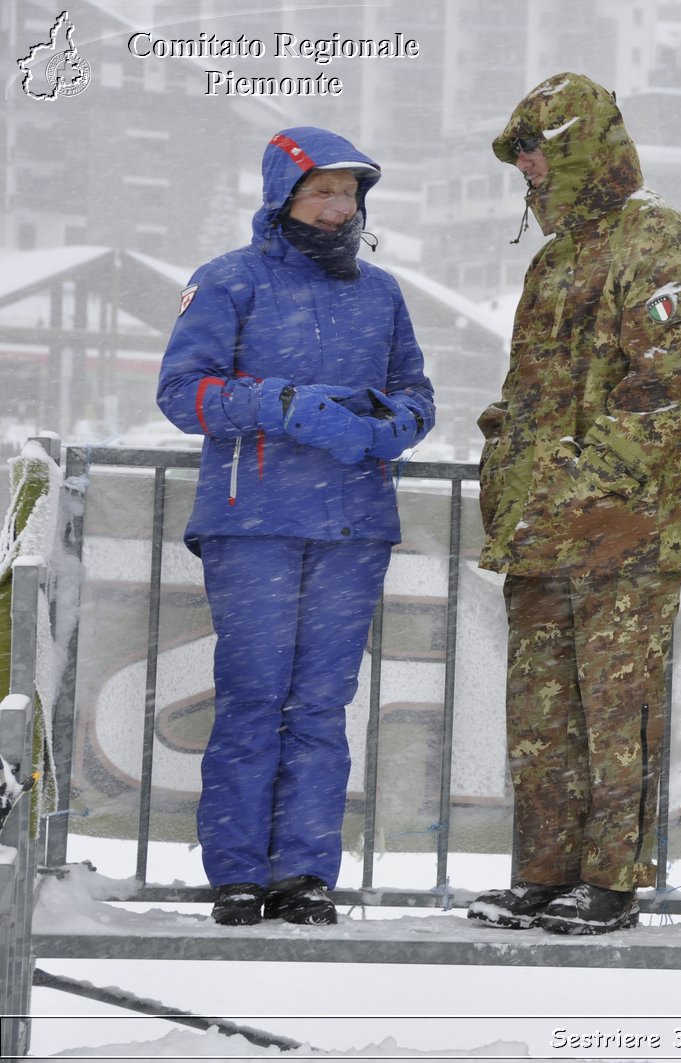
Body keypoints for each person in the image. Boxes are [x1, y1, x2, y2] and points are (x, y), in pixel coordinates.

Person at [156, 127, 435, 927]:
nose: (338, 206)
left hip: (353, 526)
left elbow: (417, 392)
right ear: (284, 195)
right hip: (255, 526)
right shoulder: (227, 282)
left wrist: (390, 424)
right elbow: (183, 393)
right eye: (323, 191)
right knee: (252, 698)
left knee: (320, 704)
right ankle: (238, 871)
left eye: (349, 193)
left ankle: (305, 871)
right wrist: (274, 402)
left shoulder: (380, 293)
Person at [468, 73, 681, 936]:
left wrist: (576, 482)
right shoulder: (552, 262)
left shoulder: (659, 241)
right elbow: (532, 395)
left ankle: (612, 879)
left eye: (536, 150)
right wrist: (505, 465)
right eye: (519, 157)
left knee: (618, 710)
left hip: (625, 531)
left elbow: (669, 385)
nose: (527, 170)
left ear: (581, 145)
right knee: (541, 714)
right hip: (541, 530)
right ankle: (544, 869)